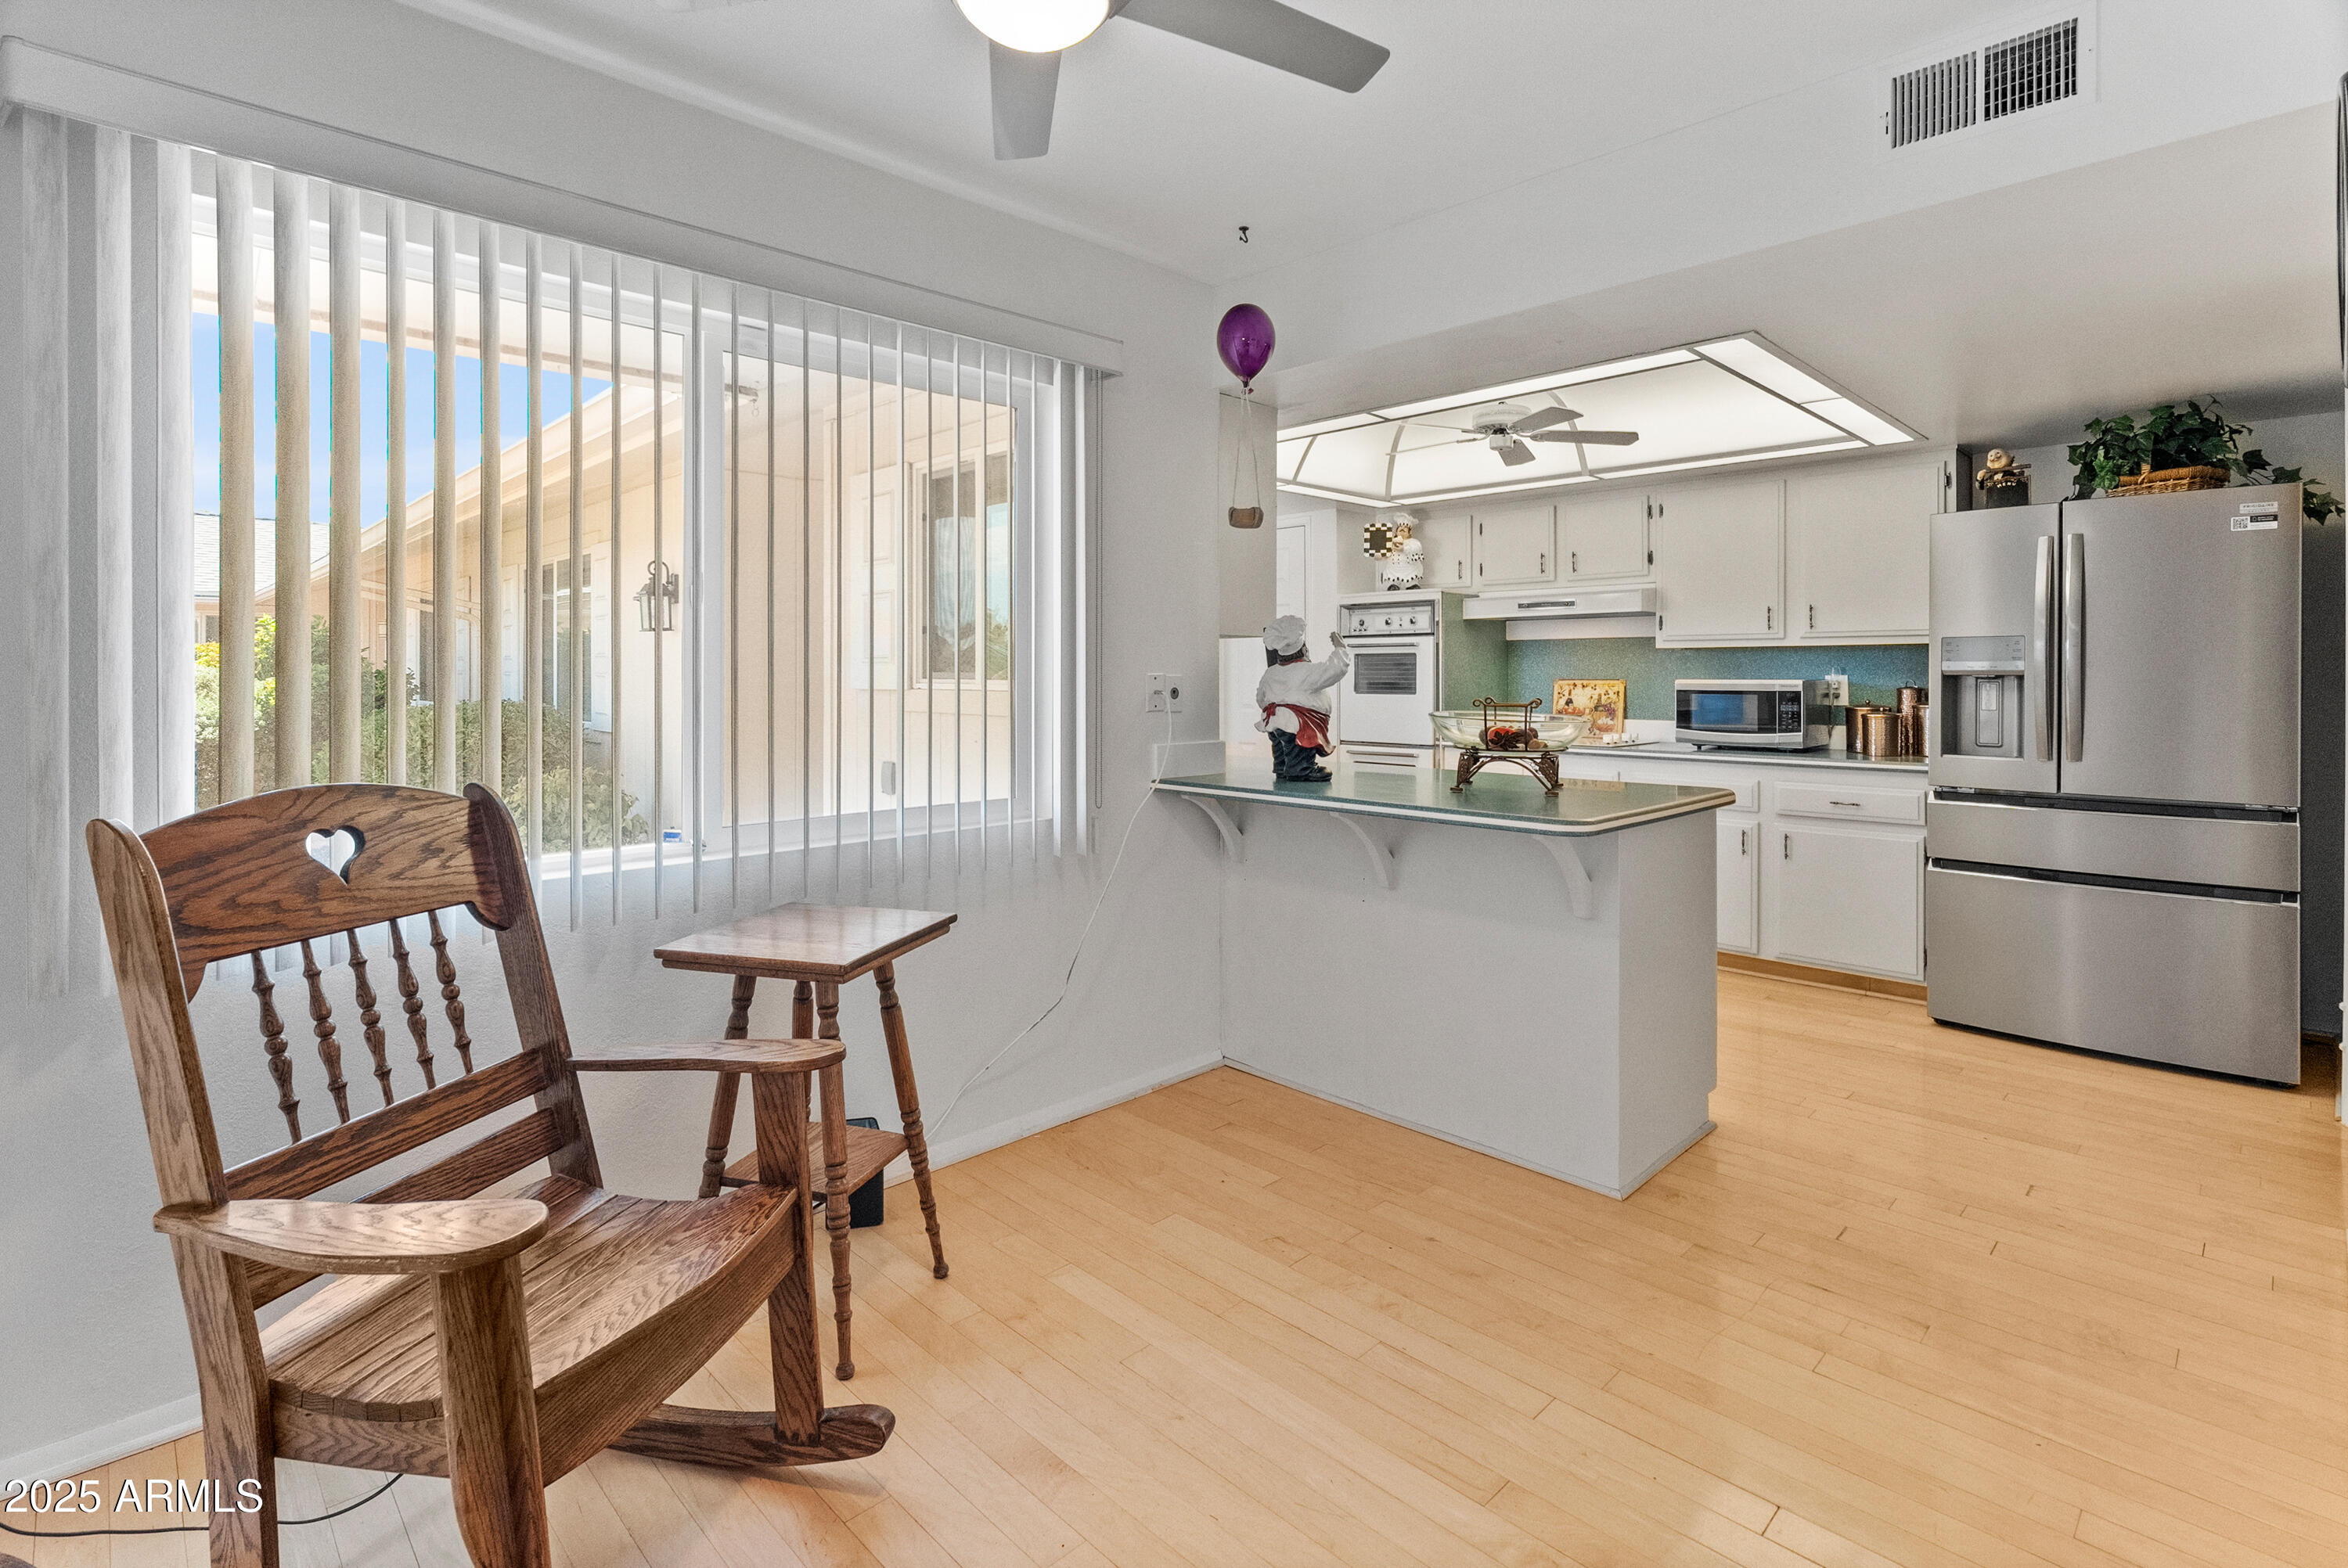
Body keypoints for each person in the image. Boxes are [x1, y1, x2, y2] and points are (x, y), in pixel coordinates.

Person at [1254, 615, 1349, 782]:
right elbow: (1335, 669)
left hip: (1273, 721)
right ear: (1304, 650)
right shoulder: (1307, 671)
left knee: (1281, 746)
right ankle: (1302, 770)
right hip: (1298, 723)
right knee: (1298, 747)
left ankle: (1282, 768)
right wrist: (1340, 648)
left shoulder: (1271, 672)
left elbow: (1261, 698)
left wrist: (1271, 711)